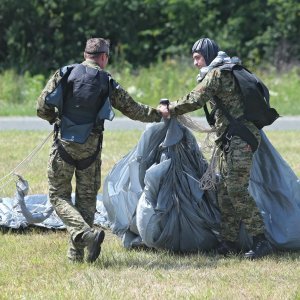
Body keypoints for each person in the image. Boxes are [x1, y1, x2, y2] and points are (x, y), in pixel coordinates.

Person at [37, 37, 162, 263]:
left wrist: (54, 119)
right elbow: (133, 109)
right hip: (91, 150)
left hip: (63, 145)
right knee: (86, 201)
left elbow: (41, 106)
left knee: (58, 196)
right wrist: (158, 114)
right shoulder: (107, 81)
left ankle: (83, 242)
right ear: (104, 57)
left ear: (85, 54)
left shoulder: (64, 73)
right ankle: (77, 253)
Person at [158, 38, 277, 259]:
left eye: (198, 57)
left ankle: (261, 241)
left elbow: (196, 98)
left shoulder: (218, 74)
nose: (195, 63)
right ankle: (229, 241)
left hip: (240, 139)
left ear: (209, 55)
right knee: (223, 190)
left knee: (235, 189)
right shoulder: (220, 71)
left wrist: (170, 108)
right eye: (193, 58)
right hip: (230, 139)